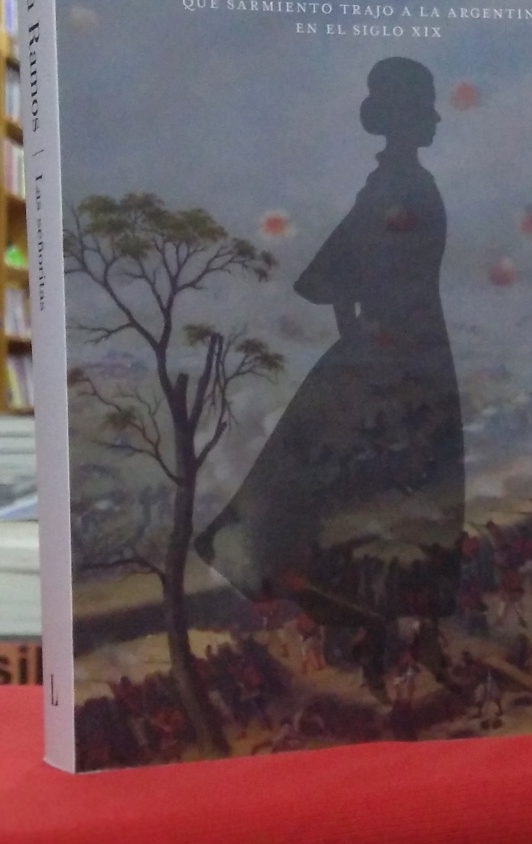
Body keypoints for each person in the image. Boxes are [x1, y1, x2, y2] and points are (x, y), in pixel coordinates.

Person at [196, 57, 465, 636]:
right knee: (389, 472)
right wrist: (360, 329)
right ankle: (373, 606)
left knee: (389, 472)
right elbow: (333, 270)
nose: (437, 119)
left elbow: (333, 271)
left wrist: (355, 325)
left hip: (401, 343)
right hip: (402, 348)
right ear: (405, 116)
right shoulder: (397, 186)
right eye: (427, 109)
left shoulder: (398, 183)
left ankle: (385, 608)